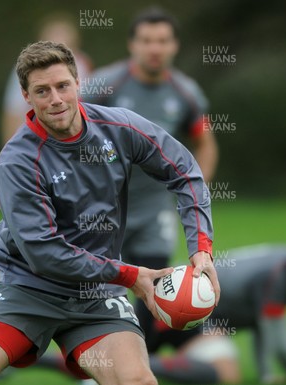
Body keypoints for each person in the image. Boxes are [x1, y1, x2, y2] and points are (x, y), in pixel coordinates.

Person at [0, 40, 218, 385]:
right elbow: (45, 252)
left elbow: (185, 170)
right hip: (28, 289)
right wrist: (130, 275)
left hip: (96, 293)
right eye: (42, 90)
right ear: (26, 96)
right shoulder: (17, 161)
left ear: (78, 83)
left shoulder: (119, 129)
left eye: (62, 86)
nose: (55, 99)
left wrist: (201, 247)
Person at [36, 232, 286, 385]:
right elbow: (279, 336)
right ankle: (93, 370)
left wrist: (265, 376)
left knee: (227, 371)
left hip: (193, 318)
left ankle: (113, 369)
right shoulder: (280, 276)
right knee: (120, 366)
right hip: (171, 310)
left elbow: (264, 325)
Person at [83, 7, 218, 327]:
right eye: (146, 40)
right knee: (96, 289)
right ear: (132, 44)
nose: (154, 48)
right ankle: (92, 361)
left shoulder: (186, 93)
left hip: (155, 208)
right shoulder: (104, 84)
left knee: (158, 289)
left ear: (174, 46)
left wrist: (196, 189)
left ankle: (139, 361)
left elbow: (205, 143)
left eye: (162, 41)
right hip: (102, 207)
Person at [1, 13, 92, 144]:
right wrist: (11, 148)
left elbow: (91, 106)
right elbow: (13, 112)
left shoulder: (84, 64)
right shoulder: (25, 68)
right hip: (37, 140)